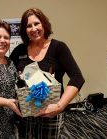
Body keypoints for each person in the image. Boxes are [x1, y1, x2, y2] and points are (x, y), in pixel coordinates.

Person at [10, 8, 85, 139]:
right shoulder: (19, 50)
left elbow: (77, 78)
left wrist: (59, 106)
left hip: (51, 113)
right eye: (28, 26)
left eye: (36, 23)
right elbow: (8, 75)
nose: (33, 29)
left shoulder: (58, 47)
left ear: (44, 24)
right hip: (26, 115)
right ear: (24, 30)